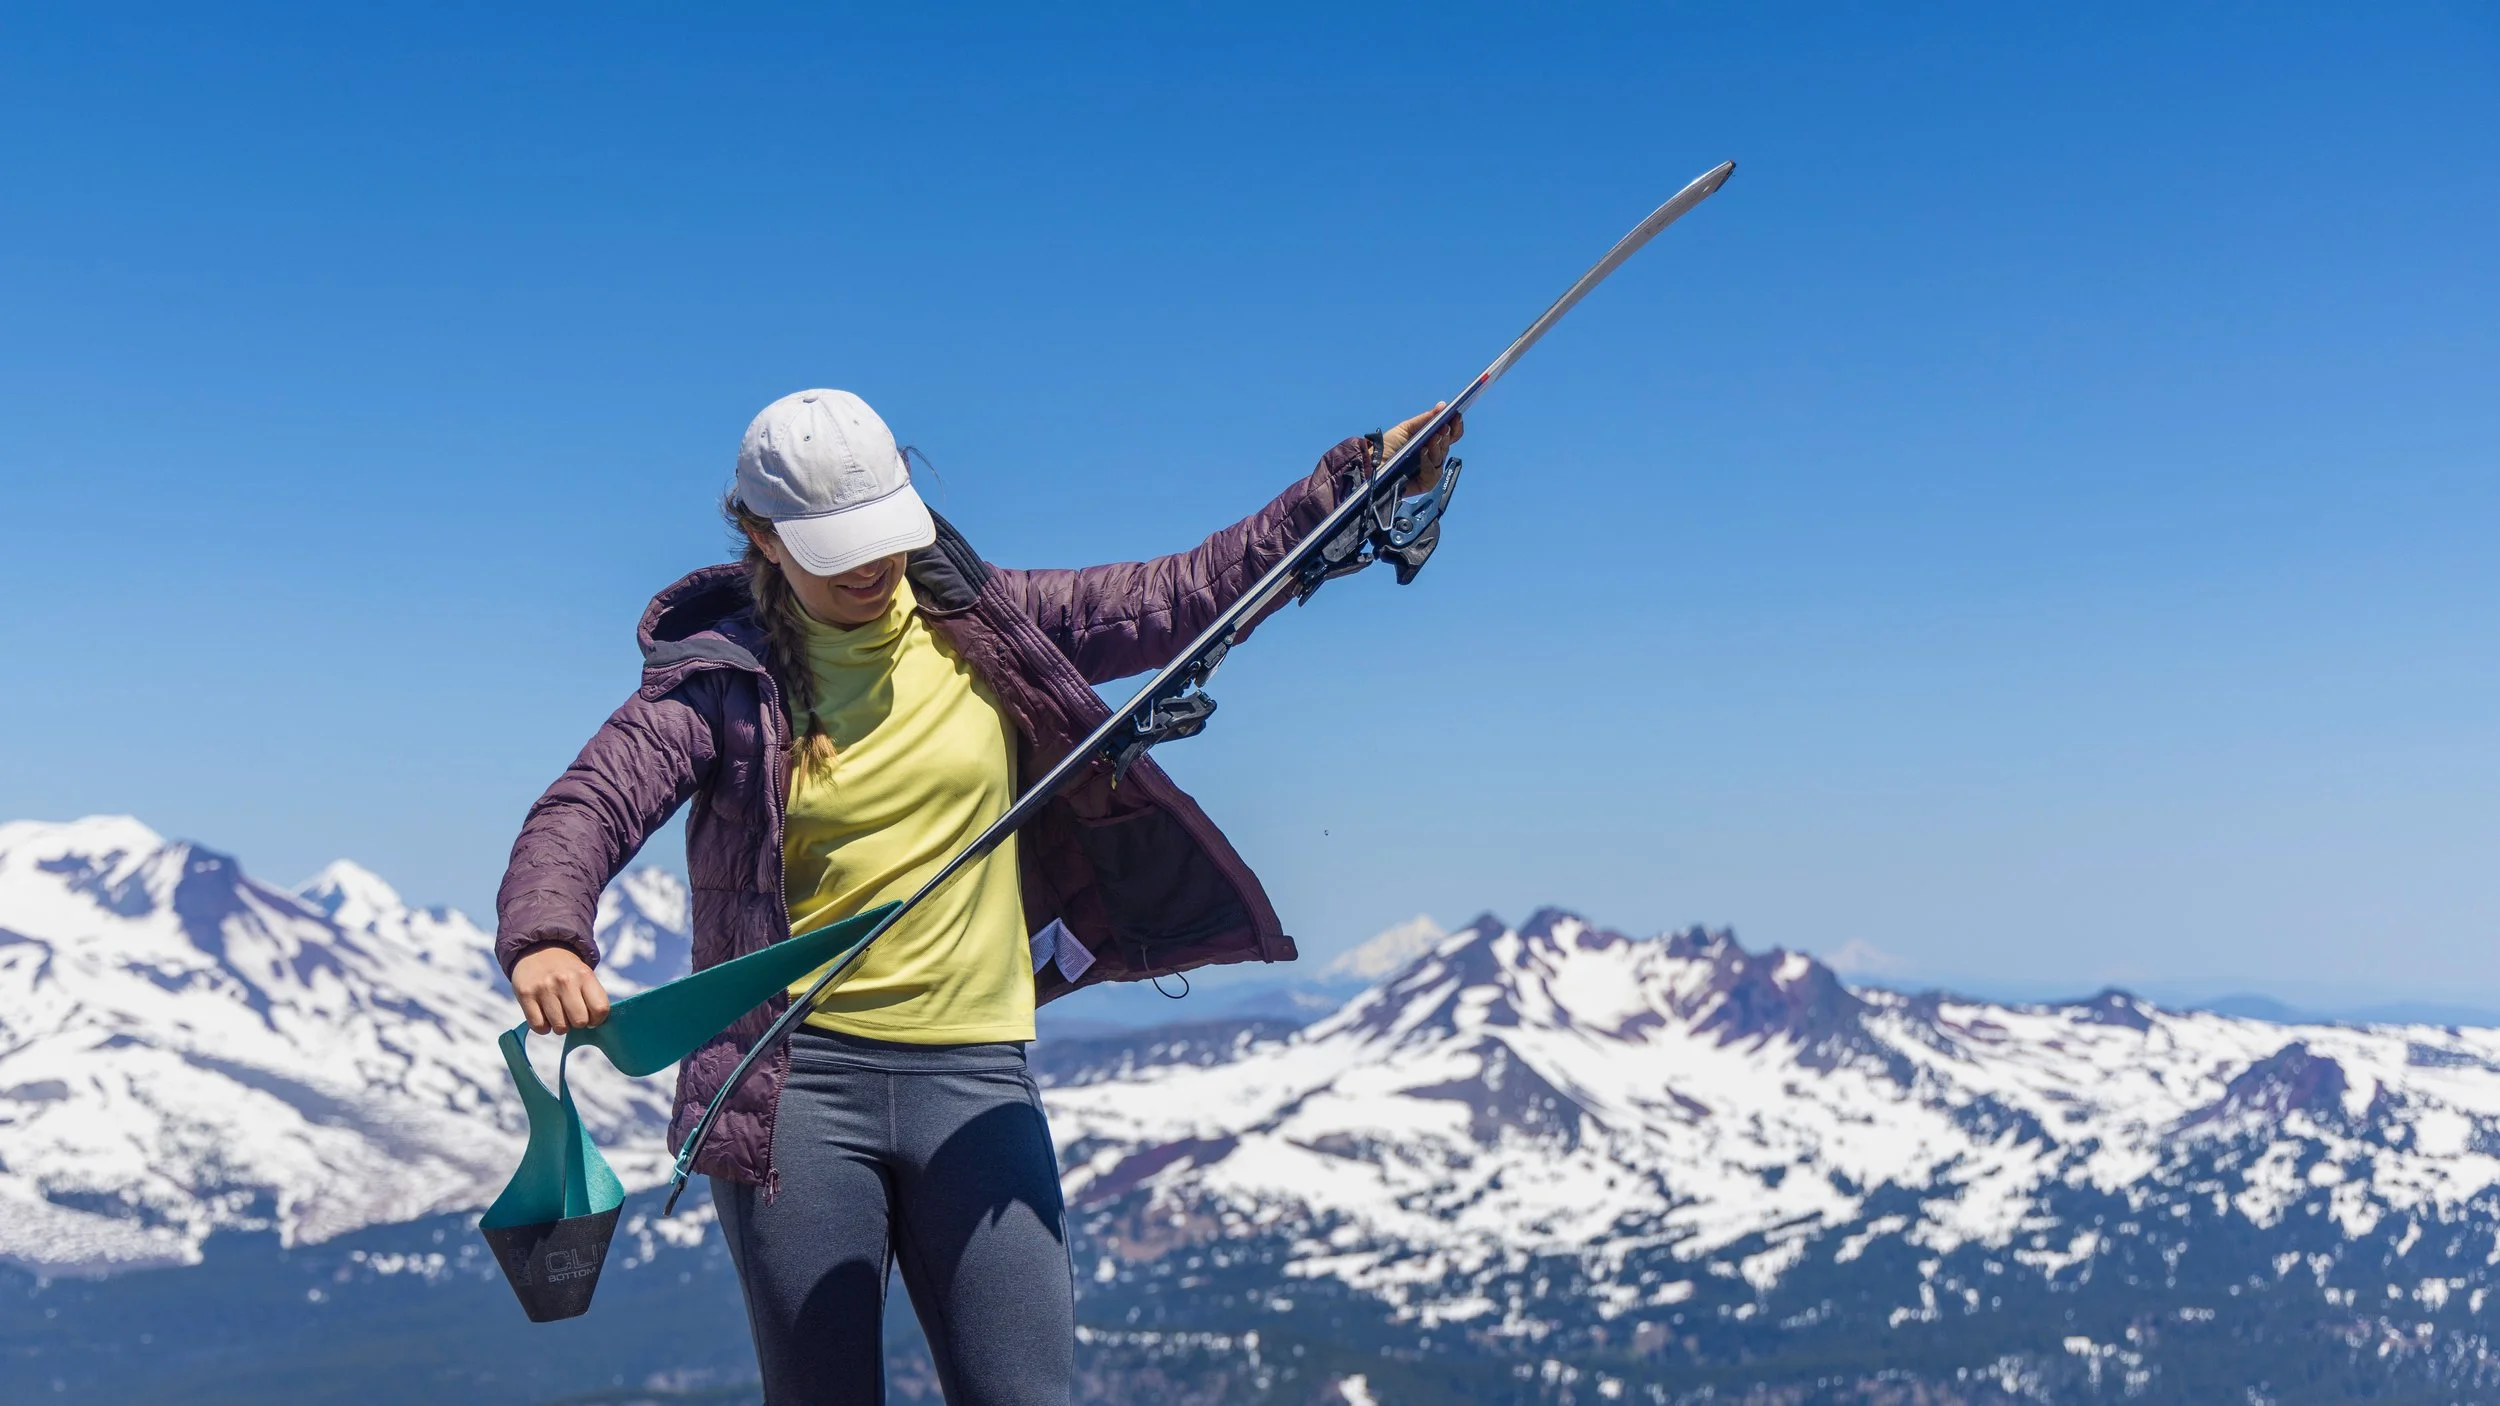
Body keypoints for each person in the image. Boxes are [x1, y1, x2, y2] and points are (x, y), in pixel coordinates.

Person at [493, 388, 1459, 1404]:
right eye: (838, 546)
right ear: (765, 538)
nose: (872, 564)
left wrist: (1358, 479)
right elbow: (587, 806)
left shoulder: (992, 626)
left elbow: (1188, 592)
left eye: (884, 531)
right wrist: (547, 935)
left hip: (977, 1076)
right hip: (793, 1090)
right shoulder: (717, 684)